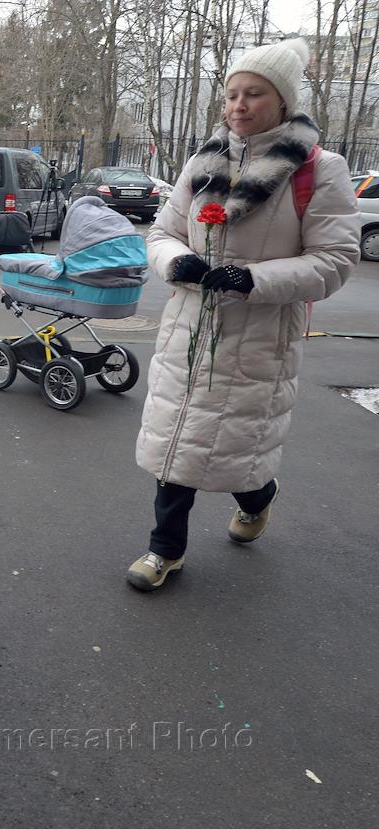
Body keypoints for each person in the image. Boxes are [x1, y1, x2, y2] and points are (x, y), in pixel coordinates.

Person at [127, 37, 360, 591]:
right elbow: (161, 233)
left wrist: (252, 279)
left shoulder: (318, 169)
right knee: (177, 441)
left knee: (237, 447)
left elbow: (334, 259)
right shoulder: (203, 162)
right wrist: (176, 261)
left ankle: (258, 498)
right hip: (188, 328)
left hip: (260, 335)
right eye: (232, 94)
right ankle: (165, 551)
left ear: (282, 100)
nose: (239, 105)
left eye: (254, 93)